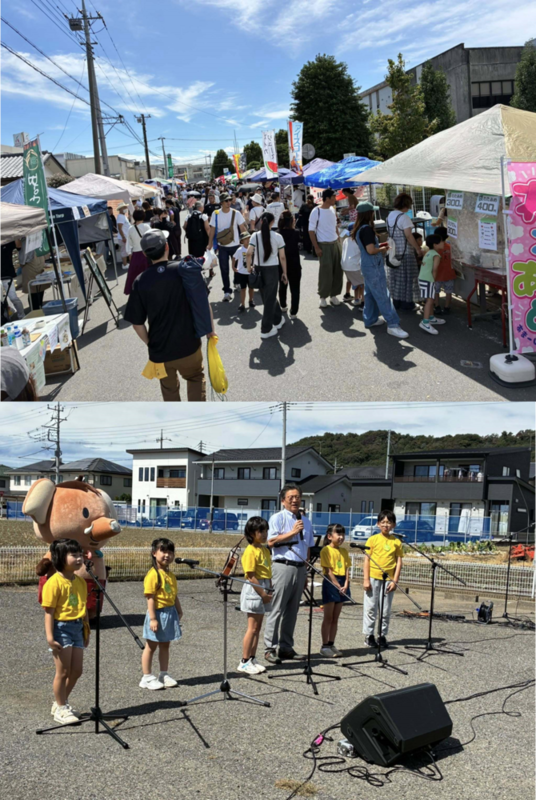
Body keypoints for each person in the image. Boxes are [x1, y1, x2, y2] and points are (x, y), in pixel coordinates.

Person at [123, 229, 215, 401]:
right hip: (189, 344)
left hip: (161, 351)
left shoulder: (140, 281)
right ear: (167, 247)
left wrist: (151, 343)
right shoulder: (184, 270)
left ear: (144, 254)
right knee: (195, 378)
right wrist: (210, 330)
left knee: (169, 391)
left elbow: (137, 323)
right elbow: (203, 302)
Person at [263, 484, 315, 664]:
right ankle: (270, 647)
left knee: (292, 610)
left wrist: (306, 571)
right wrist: (293, 532)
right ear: (283, 500)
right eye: (291, 497)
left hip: (300, 567)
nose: (295, 500)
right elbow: (271, 542)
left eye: (298, 497)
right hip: (282, 566)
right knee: (277, 608)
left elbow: (307, 547)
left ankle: (286, 647)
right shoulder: (277, 518)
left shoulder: (306, 521)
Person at [42, 538, 89, 725]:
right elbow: (49, 613)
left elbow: (83, 608)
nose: (79, 559)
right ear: (61, 557)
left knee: (77, 670)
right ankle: (61, 708)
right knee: (62, 671)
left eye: (80, 555)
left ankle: (60, 702)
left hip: (78, 627)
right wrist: (50, 637)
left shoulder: (81, 581)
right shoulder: (53, 583)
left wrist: (86, 630)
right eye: (74, 555)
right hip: (61, 628)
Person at [351, 202, 409, 339]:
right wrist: (382, 249)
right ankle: (393, 324)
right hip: (373, 266)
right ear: (369, 213)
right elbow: (371, 250)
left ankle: (370, 319)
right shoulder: (367, 229)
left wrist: (379, 246)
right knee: (383, 295)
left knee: (370, 294)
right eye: (372, 212)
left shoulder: (360, 228)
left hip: (366, 265)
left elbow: (368, 247)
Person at [140, 538, 182, 690]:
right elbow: (150, 598)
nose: (167, 555)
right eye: (163, 551)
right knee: (151, 646)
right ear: (154, 553)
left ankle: (163, 674)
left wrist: (179, 609)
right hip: (157, 614)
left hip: (169, 613)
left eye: (170, 552)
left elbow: (174, 594)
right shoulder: (153, 574)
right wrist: (153, 619)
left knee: (165, 645)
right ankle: (146, 676)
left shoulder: (170, 575)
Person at [363, 510, 403, 648]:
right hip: (373, 577)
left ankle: (382, 635)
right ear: (378, 524)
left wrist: (395, 580)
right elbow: (367, 560)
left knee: (385, 609)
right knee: (371, 608)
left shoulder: (396, 542)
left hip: (389, 580)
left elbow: (399, 561)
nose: (386, 525)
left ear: (393, 525)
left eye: (389, 522)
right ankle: (369, 635)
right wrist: (366, 579)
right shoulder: (372, 539)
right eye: (383, 522)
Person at [238, 517, 272, 675]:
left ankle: (252, 657)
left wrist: (269, 590)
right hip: (255, 589)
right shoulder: (250, 551)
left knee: (257, 628)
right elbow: (251, 576)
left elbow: (267, 572)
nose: (264, 534)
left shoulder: (265, 550)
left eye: (265, 530)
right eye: (260, 531)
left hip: (264, 587)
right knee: (251, 628)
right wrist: (263, 594)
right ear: (252, 533)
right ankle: (244, 661)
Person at [246, 212, 288, 340]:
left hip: (258, 269)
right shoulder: (277, 236)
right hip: (272, 269)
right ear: (272, 222)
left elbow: (248, 253)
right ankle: (266, 328)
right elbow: (282, 257)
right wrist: (285, 273)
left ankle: (278, 319)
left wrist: (249, 267)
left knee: (267, 296)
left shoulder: (254, 236)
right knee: (269, 298)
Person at [207, 192, 247, 301]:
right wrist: (210, 243)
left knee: (237, 267)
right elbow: (212, 230)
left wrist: (247, 241)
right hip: (222, 246)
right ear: (221, 202)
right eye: (226, 201)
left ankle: (236, 282)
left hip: (236, 245)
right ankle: (226, 291)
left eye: (230, 200)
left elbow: (242, 228)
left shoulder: (236, 213)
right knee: (224, 269)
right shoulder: (216, 214)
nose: (229, 202)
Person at [386, 193, 422, 310]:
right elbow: (408, 236)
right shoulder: (404, 217)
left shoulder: (389, 216)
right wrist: (417, 248)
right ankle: (408, 304)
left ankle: (396, 303)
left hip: (393, 252)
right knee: (408, 279)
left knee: (396, 279)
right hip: (405, 253)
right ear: (406, 205)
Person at [319, 523, 351, 657]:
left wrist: (346, 584)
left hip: (343, 582)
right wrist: (336, 584)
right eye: (338, 534)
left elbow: (347, 568)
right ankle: (324, 646)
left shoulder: (344, 551)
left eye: (343, 534)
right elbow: (328, 570)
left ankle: (332, 643)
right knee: (328, 617)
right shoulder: (326, 550)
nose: (341, 537)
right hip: (330, 582)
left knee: (335, 618)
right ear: (330, 536)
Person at [308, 188, 343, 308]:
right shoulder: (316, 211)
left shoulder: (333, 210)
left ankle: (334, 295)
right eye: (333, 197)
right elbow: (311, 231)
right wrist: (316, 247)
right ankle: (323, 296)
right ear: (327, 198)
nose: (335, 199)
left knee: (338, 270)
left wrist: (338, 239)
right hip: (323, 244)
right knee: (325, 272)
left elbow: (335, 226)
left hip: (335, 243)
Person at [419, 233, 447, 335]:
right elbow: (434, 269)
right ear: (435, 244)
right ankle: (425, 322)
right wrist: (434, 280)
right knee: (430, 301)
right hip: (428, 279)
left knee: (430, 299)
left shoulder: (428, 252)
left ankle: (431, 318)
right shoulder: (436, 255)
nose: (443, 242)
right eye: (441, 241)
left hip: (423, 278)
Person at [278, 211, 302, 318]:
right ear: (292, 221)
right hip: (295, 264)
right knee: (295, 288)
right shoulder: (296, 233)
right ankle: (294, 311)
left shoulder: (277, 233)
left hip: (281, 264)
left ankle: (283, 305)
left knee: (282, 286)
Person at [124, 209, 151, 295]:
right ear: (143, 216)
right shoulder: (147, 227)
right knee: (148, 274)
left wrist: (129, 253)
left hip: (135, 254)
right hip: (146, 253)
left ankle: (136, 293)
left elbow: (129, 243)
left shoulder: (130, 229)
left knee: (135, 275)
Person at [432, 226, 456, 315]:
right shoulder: (450, 247)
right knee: (448, 292)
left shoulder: (435, 248)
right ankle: (447, 307)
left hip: (437, 274)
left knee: (436, 291)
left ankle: (437, 306)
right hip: (449, 273)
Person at [232, 231, 255, 312]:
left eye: (249, 238)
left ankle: (251, 300)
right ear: (241, 241)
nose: (248, 240)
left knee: (251, 288)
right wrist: (233, 267)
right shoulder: (240, 250)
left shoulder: (253, 248)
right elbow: (234, 257)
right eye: (245, 239)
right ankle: (242, 304)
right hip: (242, 272)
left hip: (250, 272)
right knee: (243, 289)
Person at [116, 202, 131, 269]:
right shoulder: (121, 217)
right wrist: (123, 237)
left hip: (125, 237)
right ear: (120, 209)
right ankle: (125, 265)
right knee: (124, 251)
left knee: (126, 251)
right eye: (124, 207)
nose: (126, 208)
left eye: (126, 207)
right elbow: (120, 228)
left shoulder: (123, 216)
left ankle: (125, 264)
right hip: (123, 237)